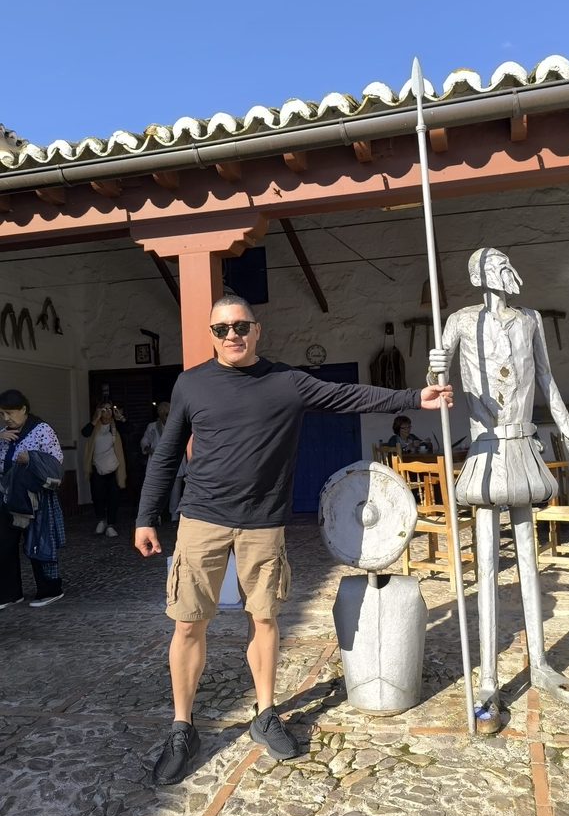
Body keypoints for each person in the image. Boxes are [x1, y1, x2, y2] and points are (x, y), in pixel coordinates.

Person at [135, 294, 452, 785]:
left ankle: (265, 713)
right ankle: (182, 727)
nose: (232, 335)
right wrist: (145, 517)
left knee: (263, 618)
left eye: (241, 326)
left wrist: (415, 397)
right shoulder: (191, 384)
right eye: (222, 329)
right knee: (187, 624)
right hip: (201, 520)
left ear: (256, 330)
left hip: (263, 522)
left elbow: (351, 397)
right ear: (211, 334)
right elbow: (166, 453)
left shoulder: (286, 382)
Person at [429, 247, 569, 733]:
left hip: (523, 443)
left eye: (507, 261)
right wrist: (436, 366)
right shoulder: (460, 321)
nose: (507, 270)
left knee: (528, 557)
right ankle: (489, 681)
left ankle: (540, 662)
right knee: (485, 566)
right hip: (485, 449)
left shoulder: (531, 319)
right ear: (480, 274)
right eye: (496, 263)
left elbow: (546, 378)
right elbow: (436, 387)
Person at [0, 390, 66, 609]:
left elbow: (55, 461)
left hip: (37, 497)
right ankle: (11, 593)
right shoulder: (3, 434)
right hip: (8, 497)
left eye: (10, 413)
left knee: (39, 542)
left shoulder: (41, 430)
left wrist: (29, 458)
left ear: (23, 410)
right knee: (5, 545)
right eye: (2, 414)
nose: (6, 418)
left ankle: (50, 590)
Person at [81, 402, 132, 538]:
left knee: (113, 497)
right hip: (97, 468)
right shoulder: (94, 427)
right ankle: (101, 520)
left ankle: (111, 525)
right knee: (97, 496)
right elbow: (84, 432)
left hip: (113, 468)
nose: (108, 412)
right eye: (104, 409)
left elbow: (130, 428)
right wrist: (95, 419)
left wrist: (121, 417)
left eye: (110, 409)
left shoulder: (116, 427)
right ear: (99, 411)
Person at [141, 402, 186, 522]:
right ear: (160, 413)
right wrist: (147, 449)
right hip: (157, 461)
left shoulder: (178, 424)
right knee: (157, 490)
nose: (169, 416)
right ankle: (157, 514)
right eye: (166, 414)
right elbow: (144, 441)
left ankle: (174, 513)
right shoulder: (152, 427)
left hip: (176, 460)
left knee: (175, 490)